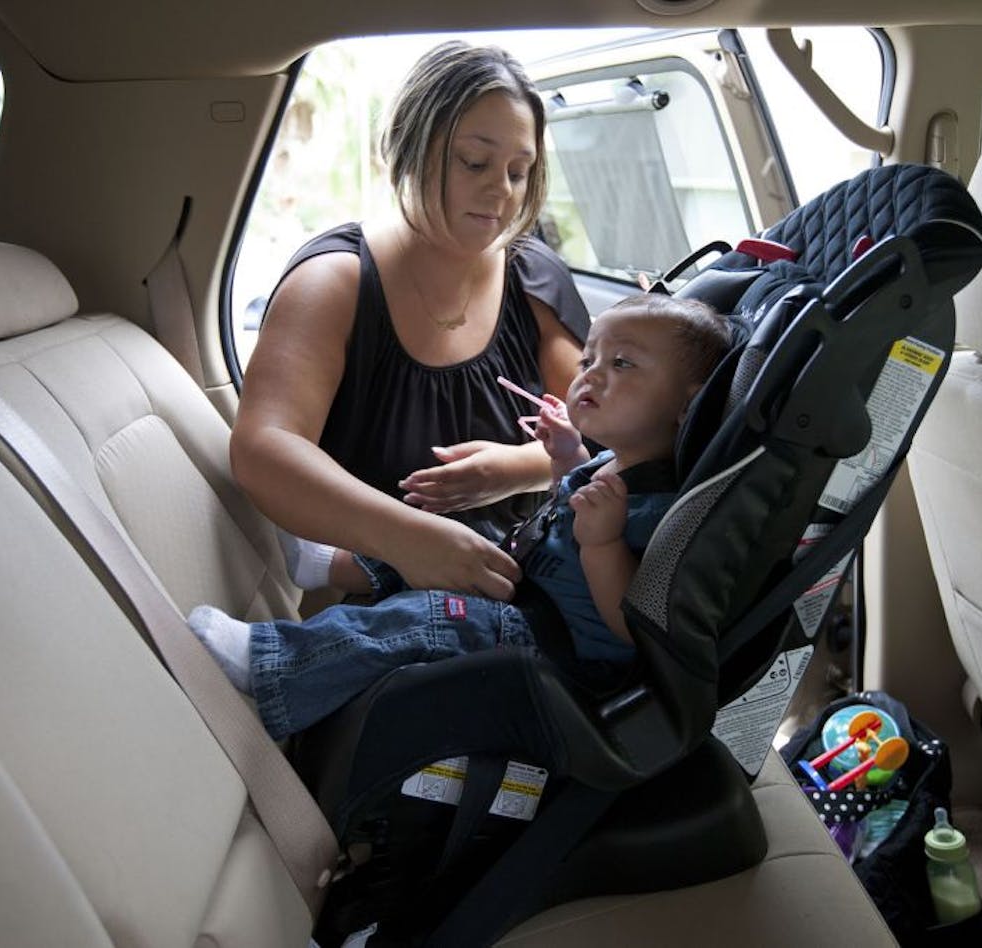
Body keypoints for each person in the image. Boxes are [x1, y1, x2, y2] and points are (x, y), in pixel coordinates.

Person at [191, 295, 731, 739]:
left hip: (555, 649)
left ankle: (274, 670)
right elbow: (566, 499)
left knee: (428, 616)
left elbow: (631, 626)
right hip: (530, 592)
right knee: (454, 539)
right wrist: (566, 455)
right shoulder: (614, 464)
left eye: (623, 363)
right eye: (589, 359)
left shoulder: (664, 508)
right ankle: (328, 563)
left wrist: (603, 545)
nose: (590, 375)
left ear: (690, 404)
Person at [232, 41, 590, 602]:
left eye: (519, 171)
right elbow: (265, 448)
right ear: (410, 147)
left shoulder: (534, 278)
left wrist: (519, 469)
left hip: (514, 589)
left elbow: (607, 426)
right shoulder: (337, 282)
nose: (501, 190)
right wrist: (411, 541)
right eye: (474, 162)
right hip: (372, 611)